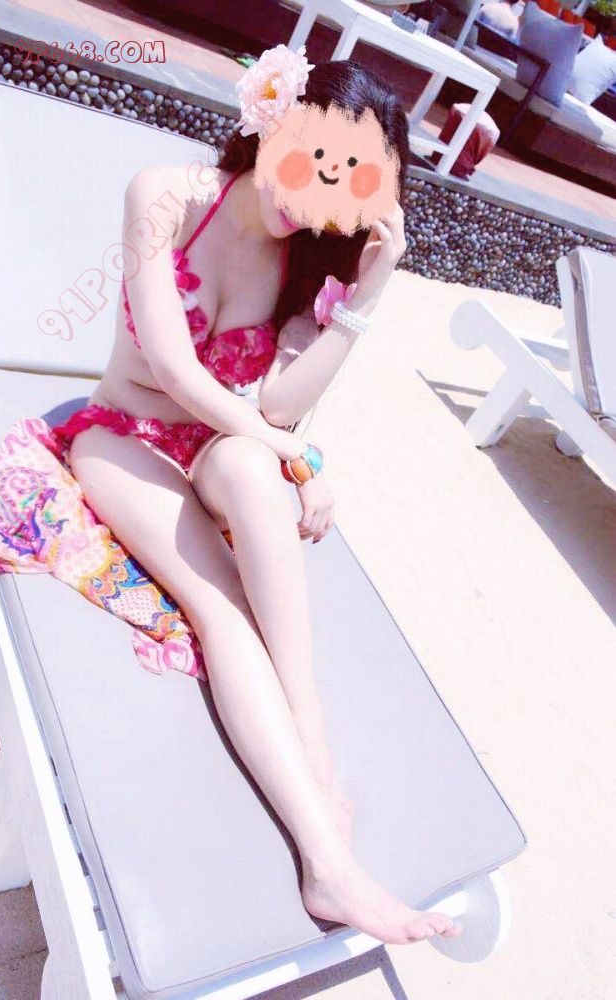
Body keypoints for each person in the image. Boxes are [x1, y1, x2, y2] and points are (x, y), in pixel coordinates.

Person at [54, 51, 464, 946]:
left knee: (247, 470)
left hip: (220, 449)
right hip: (122, 438)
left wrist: (370, 286)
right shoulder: (165, 195)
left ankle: (312, 753)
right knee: (226, 612)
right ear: (272, 119)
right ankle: (328, 865)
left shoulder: (306, 259)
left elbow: (276, 405)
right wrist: (299, 461)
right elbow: (171, 368)